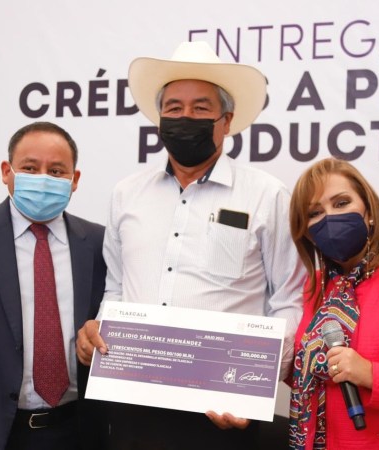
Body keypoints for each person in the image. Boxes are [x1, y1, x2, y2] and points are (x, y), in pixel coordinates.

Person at [77, 41, 305, 449]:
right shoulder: (127, 194)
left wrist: (257, 382)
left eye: (200, 109)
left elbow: (290, 299)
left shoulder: (266, 195)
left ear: (226, 121)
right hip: (133, 403)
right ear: (160, 119)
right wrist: (101, 328)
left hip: (223, 411)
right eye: (174, 108)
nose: (186, 118)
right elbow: (117, 288)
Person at [0, 122, 108, 450]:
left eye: (56, 171)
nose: (43, 179)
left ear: (74, 180)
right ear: (6, 171)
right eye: (29, 168)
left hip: (76, 430)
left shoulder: (100, 243)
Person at [288, 157, 379, 449]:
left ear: (370, 212)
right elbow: (303, 373)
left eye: (341, 203)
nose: (329, 218)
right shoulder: (313, 288)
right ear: (307, 233)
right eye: (315, 213)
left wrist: (370, 374)